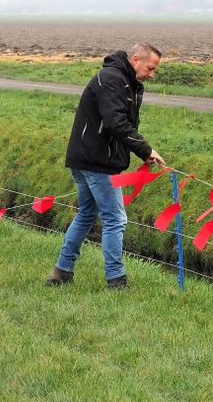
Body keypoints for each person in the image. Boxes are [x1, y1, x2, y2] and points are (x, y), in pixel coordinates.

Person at [47, 43, 166, 288]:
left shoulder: (126, 81)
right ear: (135, 59)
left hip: (87, 158)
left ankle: (61, 272)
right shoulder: (112, 79)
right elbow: (116, 122)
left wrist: (141, 154)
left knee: (87, 214)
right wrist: (145, 149)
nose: (152, 74)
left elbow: (123, 124)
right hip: (96, 161)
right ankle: (116, 280)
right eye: (150, 68)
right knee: (115, 219)